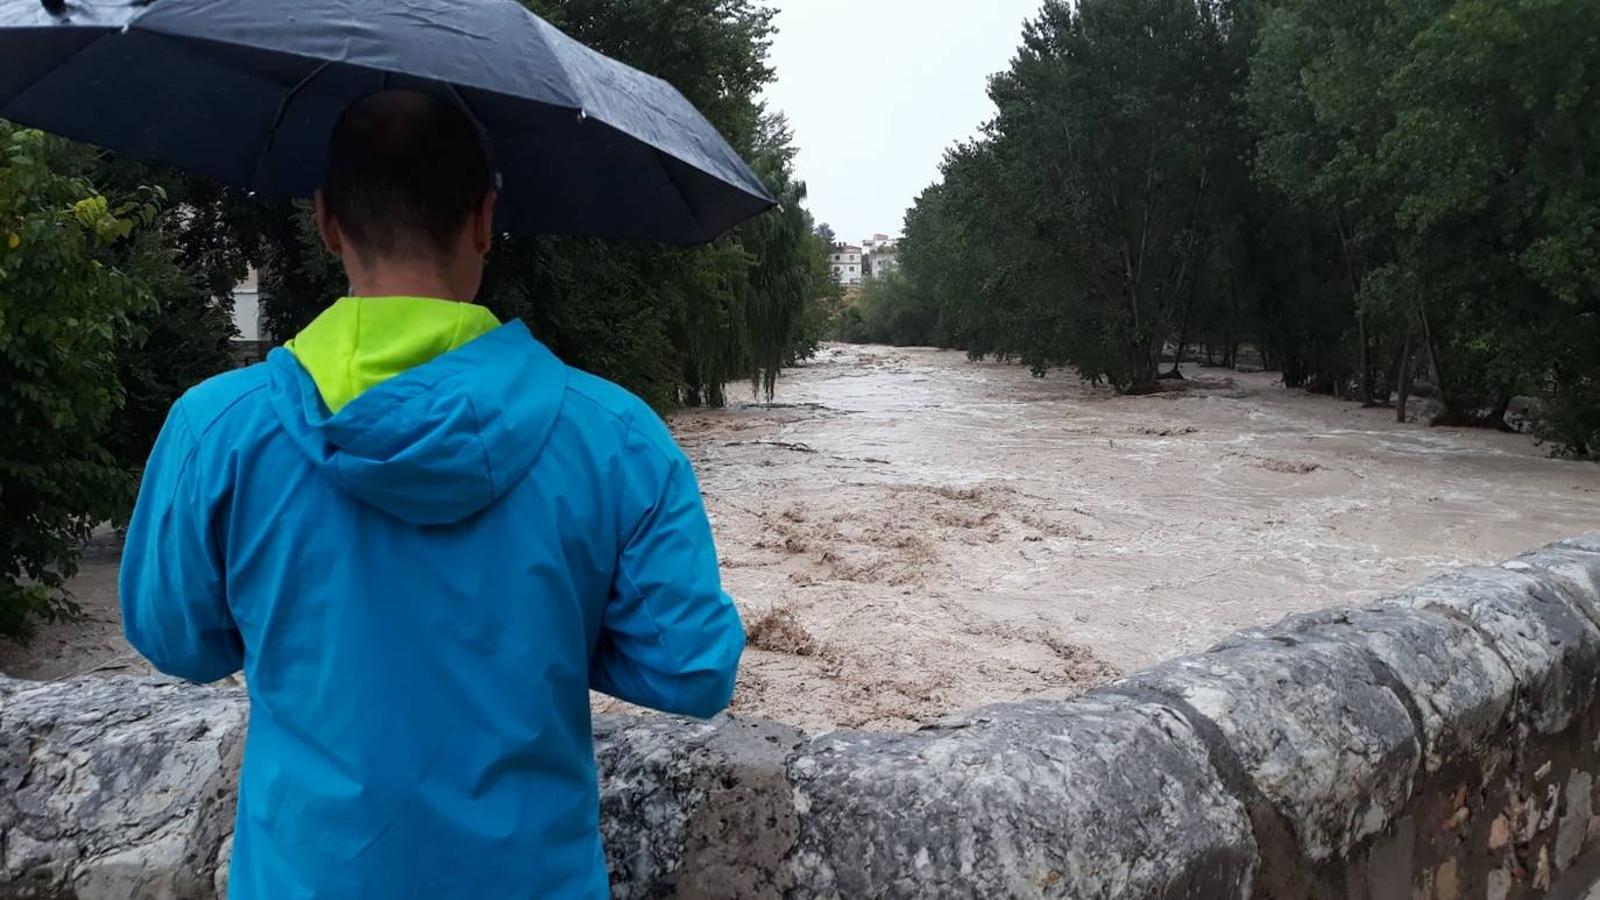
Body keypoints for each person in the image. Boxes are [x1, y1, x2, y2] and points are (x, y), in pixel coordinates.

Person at [119, 90, 746, 899]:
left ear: (326, 221)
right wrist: (550, 620)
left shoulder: (216, 429)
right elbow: (694, 669)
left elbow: (178, 641)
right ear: (485, 219)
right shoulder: (616, 436)